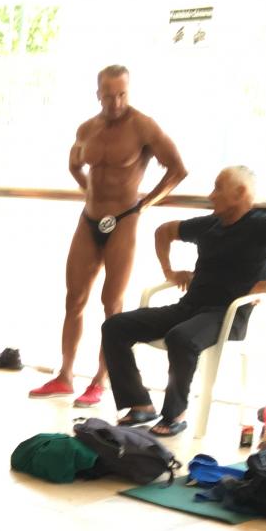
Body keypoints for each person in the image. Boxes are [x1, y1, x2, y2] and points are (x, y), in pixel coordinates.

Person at [31, 65, 187, 407]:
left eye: (122, 94)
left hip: (124, 219)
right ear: (97, 94)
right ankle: (65, 376)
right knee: (74, 299)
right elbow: (74, 164)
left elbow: (178, 169)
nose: (115, 102)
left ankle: (100, 380)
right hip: (89, 219)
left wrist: (145, 203)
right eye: (108, 95)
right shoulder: (87, 128)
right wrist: (88, 190)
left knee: (111, 305)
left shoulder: (143, 126)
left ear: (128, 92)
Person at [101, 166, 266, 437]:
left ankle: (175, 414)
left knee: (181, 338)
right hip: (189, 307)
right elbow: (163, 231)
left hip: (227, 315)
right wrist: (169, 271)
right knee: (115, 327)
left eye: (218, 188)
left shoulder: (261, 224)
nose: (211, 195)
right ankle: (139, 403)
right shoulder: (210, 224)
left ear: (240, 193)